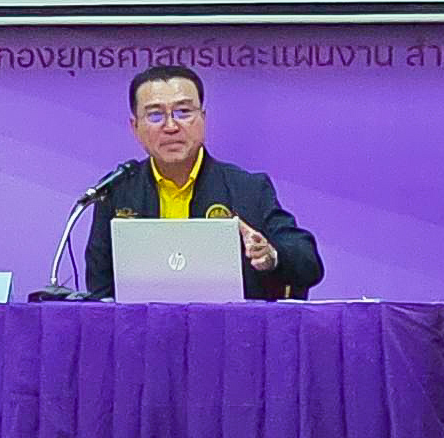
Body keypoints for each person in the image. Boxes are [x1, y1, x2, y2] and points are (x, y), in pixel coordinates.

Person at [83, 65, 325, 300]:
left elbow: (307, 261)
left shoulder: (247, 188)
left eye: (183, 112)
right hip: (142, 326)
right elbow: (100, 288)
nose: (171, 126)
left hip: (229, 325)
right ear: (135, 127)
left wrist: (271, 255)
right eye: (155, 115)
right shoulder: (116, 191)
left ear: (203, 118)